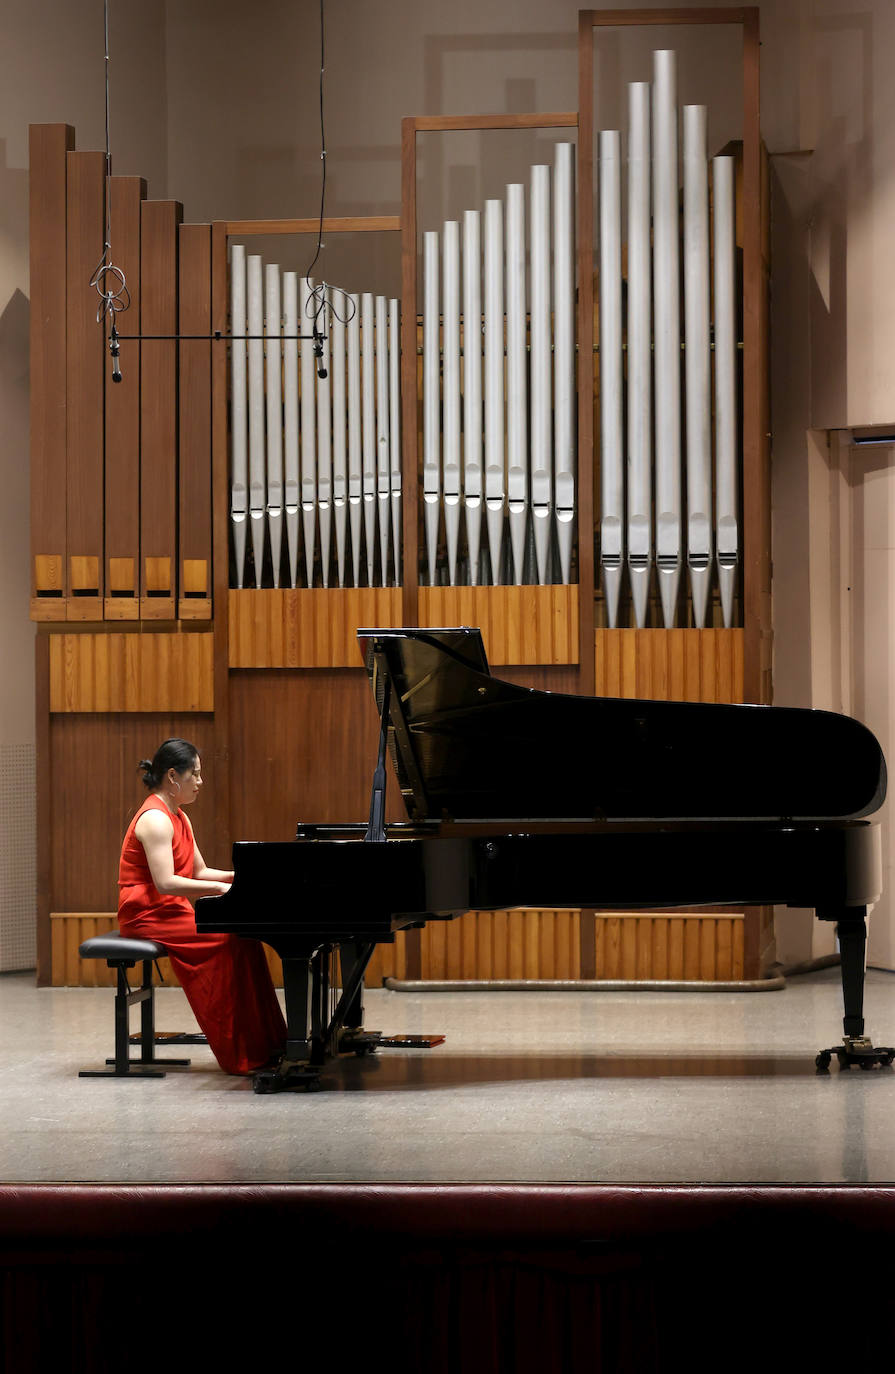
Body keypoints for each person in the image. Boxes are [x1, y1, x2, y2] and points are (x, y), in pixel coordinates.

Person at [117, 738, 286, 1075]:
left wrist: (245, 877)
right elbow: (165, 882)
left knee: (245, 938)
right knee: (226, 942)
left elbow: (199, 871)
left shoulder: (179, 817)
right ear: (172, 777)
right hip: (147, 914)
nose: (200, 781)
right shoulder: (155, 819)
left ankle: (271, 1045)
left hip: (170, 909)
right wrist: (220, 887)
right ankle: (241, 1053)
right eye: (194, 774)